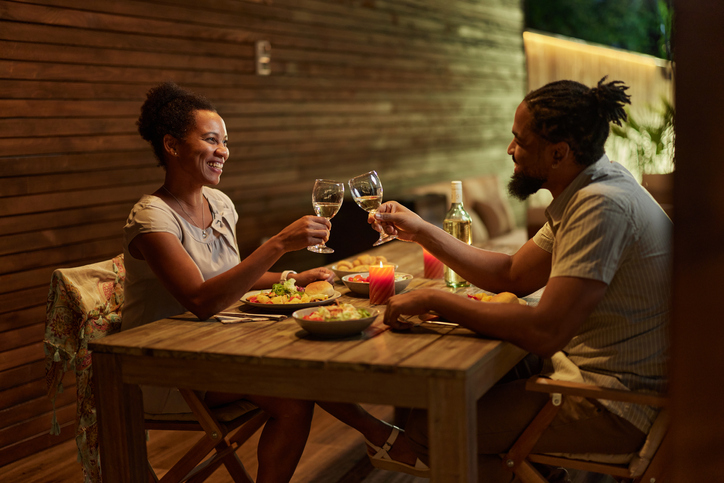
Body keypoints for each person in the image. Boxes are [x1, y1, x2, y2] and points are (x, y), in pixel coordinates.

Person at [368, 77, 672, 481]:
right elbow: (510, 274)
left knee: (433, 426)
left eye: (520, 141)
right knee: (456, 395)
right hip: (599, 378)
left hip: (618, 402)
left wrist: (434, 301)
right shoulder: (592, 187)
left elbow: (546, 331)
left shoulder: (601, 206)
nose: (510, 150)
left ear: (559, 152)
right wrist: (422, 230)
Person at [124, 81, 427, 481]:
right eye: (211, 140)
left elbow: (228, 280)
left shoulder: (219, 204)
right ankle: (385, 437)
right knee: (297, 375)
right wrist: (280, 244)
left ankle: (385, 437)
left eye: (226, 142)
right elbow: (200, 299)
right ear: (172, 145)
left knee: (297, 386)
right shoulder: (151, 219)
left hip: (217, 347)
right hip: (164, 368)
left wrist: (293, 278)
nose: (223, 151)